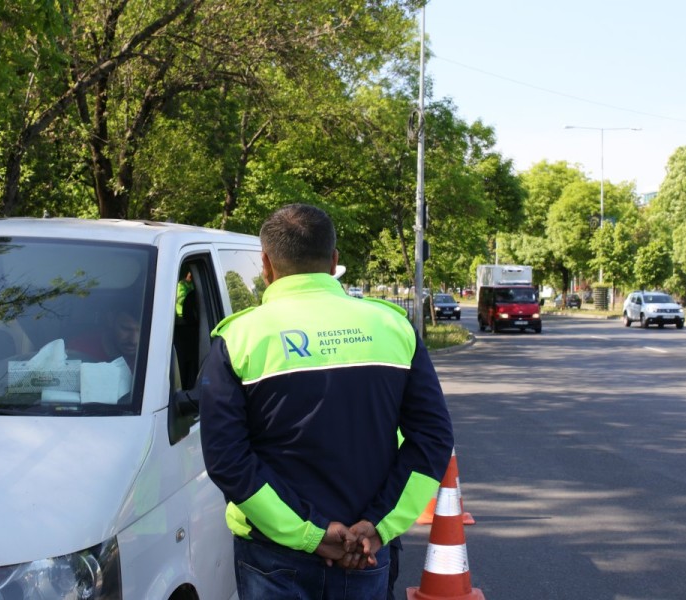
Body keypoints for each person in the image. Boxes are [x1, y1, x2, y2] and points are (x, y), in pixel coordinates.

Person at [199, 203, 454, 600]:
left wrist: (309, 534)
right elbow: (433, 439)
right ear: (334, 260)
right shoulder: (392, 327)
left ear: (266, 264)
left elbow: (227, 461)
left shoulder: (239, 339)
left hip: (273, 555)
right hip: (365, 549)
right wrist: (379, 525)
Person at [67, 303, 140, 369]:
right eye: (126, 329)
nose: (133, 340)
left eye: (142, 331)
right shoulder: (80, 347)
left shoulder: (150, 357)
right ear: (110, 320)